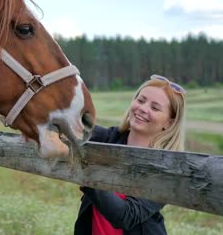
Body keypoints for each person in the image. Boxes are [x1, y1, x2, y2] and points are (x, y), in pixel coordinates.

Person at [74, 74, 187, 235]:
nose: (142, 108)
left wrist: (88, 175)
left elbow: (126, 216)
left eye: (155, 108)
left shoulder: (166, 169)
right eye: (141, 100)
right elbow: (74, 124)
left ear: (169, 122)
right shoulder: (109, 138)